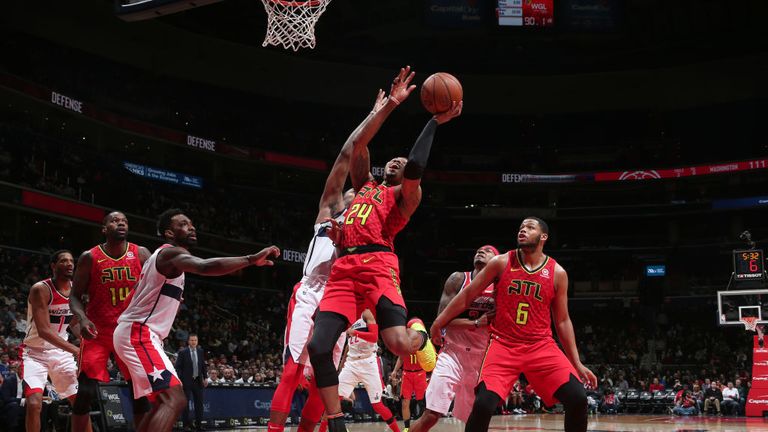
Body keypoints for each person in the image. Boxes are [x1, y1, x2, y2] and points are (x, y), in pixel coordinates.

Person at [308, 66, 462, 432]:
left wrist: (435, 123)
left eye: (401, 162)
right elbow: (357, 146)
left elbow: (418, 165)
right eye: (392, 159)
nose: (396, 161)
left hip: (379, 264)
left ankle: (419, 332)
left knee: (398, 344)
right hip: (344, 270)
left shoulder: (406, 197)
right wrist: (388, 106)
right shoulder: (364, 186)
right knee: (318, 347)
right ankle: (335, 419)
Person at [268, 82, 387, 432]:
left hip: (339, 297)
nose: (355, 191)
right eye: (352, 188)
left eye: (361, 190)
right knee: (292, 370)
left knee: (326, 376)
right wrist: (373, 115)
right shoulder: (328, 211)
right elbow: (347, 153)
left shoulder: (367, 229)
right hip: (310, 291)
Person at [113, 209, 280, 432]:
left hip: (138, 333)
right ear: (169, 233)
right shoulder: (170, 253)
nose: (191, 227)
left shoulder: (163, 259)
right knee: (176, 399)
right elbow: (204, 266)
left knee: (162, 402)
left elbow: (134, 294)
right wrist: (250, 259)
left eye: (191, 223)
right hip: (138, 333)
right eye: (183, 224)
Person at [430, 217, 597, 432]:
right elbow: (467, 295)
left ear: (543, 236)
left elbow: (562, 320)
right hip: (503, 344)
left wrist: (577, 362)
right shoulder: (501, 262)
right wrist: (438, 322)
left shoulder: (557, 273)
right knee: (482, 404)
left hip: (540, 345)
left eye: (529, 228)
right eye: (521, 228)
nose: (523, 231)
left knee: (577, 398)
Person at [69, 211, 152, 432]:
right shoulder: (90, 256)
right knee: (85, 391)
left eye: (124, 220)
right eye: (115, 221)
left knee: (140, 392)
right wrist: (83, 318)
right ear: (104, 229)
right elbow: (75, 295)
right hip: (98, 331)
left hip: (129, 330)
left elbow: (158, 284)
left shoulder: (141, 253)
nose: (121, 223)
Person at [410, 245, 498, 432]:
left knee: (474, 421)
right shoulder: (458, 279)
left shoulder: (500, 287)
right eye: (478, 250)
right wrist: (476, 323)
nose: (480, 252)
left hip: (481, 359)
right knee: (431, 415)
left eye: (488, 251)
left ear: (497, 260)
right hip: (452, 354)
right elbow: (442, 320)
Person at [21, 250, 80, 432]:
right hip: (34, 352)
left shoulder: (76, 289)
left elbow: (73, 323)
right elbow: (45, 331)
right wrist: (76, 350)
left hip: (60, 353)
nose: (69, 264)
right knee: (34, 404)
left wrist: (86, 340)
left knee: (80, 404)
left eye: (71, 261)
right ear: (53, 266)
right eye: (63, 261)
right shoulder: (41, 289)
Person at [336, 310, 400, 432]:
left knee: (377, 405)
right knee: (334, 401)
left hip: (368, 362)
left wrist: (355, 332)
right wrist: (341, 366)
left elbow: (374, 337)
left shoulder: (366, 314)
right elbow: (348, 347)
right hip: (351, 363)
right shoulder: (348, 317)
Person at [390, 342, 425, 431]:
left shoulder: (423, 341)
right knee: (405, 402)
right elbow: (401, 358)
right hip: (407, 374)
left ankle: (421, 425)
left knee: (422, 402)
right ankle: (407, 427)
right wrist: (395, 371)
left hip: (420, 373)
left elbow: (430, 358)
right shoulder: (405, 343)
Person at [175, 334, 207, 431]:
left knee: (199, 403)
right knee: (185, 404)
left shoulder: (200, 351)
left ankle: (199, 424)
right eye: (192, 340)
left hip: (198, 381)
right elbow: (178, 367)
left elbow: (203, 366)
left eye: (195, 340)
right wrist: (180, 379)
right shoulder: (183, 352)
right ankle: (186, 425)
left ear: (197, 341)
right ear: (188, 341)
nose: (194, 342)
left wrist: (205, 377)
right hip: (186, 381)